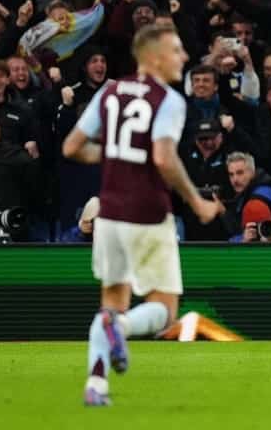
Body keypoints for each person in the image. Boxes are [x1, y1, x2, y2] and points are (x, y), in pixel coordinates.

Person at [61, 24, 222, 407]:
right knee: (164, 310)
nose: (184, 57)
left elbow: (72, 147)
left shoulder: (109, 91)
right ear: (153, 57)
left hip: (109, 214)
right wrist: (197, 202)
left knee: (111, 301)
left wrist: (112, 155)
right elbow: (164, 157)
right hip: (148, 213)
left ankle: (96, 384)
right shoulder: (168, 100)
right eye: (176, 50)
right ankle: (121, 327)